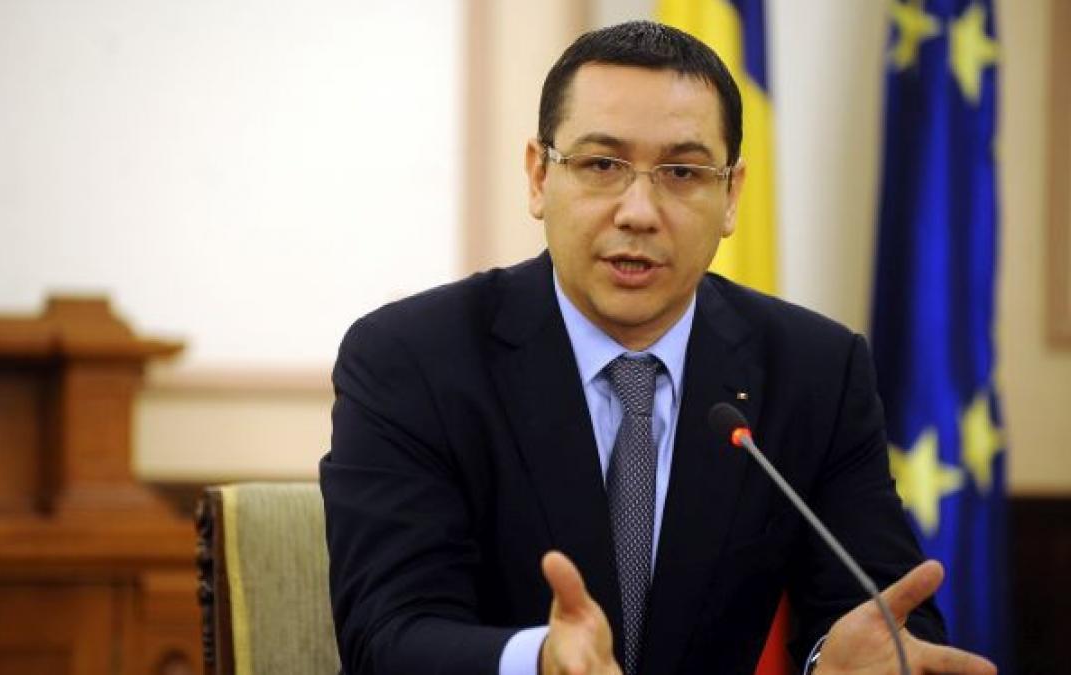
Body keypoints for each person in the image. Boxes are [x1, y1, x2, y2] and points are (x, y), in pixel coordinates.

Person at [320, 20, 996, 675]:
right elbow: (388, 636)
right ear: (538, 176)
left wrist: (833, 663)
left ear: (731, 195)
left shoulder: (814, 372)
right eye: (601, 164)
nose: (638, 211)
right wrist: (541, 661)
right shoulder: (412, 360)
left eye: (681, 172)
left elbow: (883, 621)